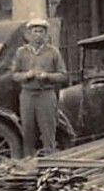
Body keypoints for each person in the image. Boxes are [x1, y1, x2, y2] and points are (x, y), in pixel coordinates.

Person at [11, 18, 68, 156]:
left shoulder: (53, 52)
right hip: (27, 95)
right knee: (28, 131)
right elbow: (14, 75)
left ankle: (51, 162)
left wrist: (47, 76)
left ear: (46, 34)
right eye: (35, 31)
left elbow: (63, 75)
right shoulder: (21, 52)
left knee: (48, 131)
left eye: (41, 31)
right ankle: (29, 164)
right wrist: (27, 75)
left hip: (46, 95)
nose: (38, 34)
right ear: (29, 34)